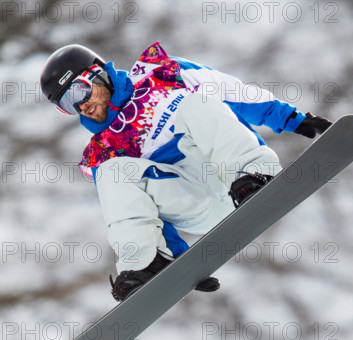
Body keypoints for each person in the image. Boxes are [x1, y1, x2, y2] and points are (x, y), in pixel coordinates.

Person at [40, 42, 332, 302]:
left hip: (229, 170)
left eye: (78, 91)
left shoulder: (159, 74)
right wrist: (181, 266)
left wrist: (293, 119)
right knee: (111, 172)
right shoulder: (102, 150)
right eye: (67, 104)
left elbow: (234, 92)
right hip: (194, 201)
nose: (80, 105)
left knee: (195, 102)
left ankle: (256, 176)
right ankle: (146, 262)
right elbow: (135, 210)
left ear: (98, 73)